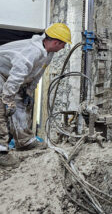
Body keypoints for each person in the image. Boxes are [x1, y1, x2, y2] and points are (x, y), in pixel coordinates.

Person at [0, 23, 72, 169]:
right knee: (1, 110)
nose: (64, 48)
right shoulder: (31, 52)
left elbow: (37, 74)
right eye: (63, 44)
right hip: (2, 74)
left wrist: (28, 92)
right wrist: (7, 100)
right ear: (56, 42)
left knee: (21, 105)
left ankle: (24, 141)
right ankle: (1, 152)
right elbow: (15, 77)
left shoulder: (48, 53)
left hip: (10, 76)